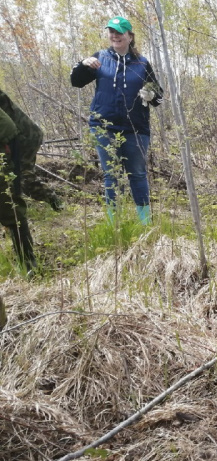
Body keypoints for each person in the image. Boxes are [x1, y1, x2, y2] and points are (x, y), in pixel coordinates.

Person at [70, 16, 163, 225]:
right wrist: (82, 64)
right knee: (111, 174)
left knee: (137, 174)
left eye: (119, 32)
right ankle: (114, 225)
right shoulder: (100, 58)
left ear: (130, 36)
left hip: (136, 129)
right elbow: (76, 82)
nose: (115, 35)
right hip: (104, 127)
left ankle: (145, 223)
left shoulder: (142, 63)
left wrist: (151, 94)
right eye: (111, 31)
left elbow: (158, 97)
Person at [1, 88, 62, 273]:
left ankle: (29, 265)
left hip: (20, 139)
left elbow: (7, 127)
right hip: (13, 136)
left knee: (15, 190)